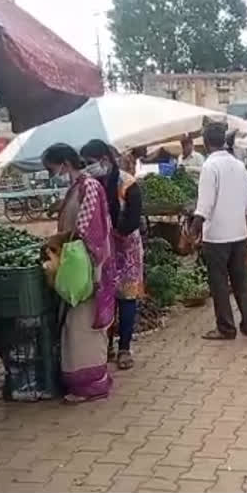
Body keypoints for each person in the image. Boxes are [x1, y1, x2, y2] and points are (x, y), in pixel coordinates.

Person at [41, 143, 116, 403]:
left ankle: (92, 385)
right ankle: (83, 382)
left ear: (64, 163)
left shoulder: (89, 186)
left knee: (83, 328)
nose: (54, 174)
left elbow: (88, 230)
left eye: (53, 169)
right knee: (74, 326)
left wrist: (59, 238)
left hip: (89, 267)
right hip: (77, 265)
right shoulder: (78, 187)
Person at [80, 139, 144, 370]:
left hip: (126, 248)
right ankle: (104, 345)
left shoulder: (128, 184)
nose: (87, 167)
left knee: (126, 299)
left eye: (90, 162)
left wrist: (112, 230)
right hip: (104, 249)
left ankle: (124, 348)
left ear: (104, 160)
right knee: (104, 296)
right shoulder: (91, 184)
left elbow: (132, 220)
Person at [190, 122, 247, 340]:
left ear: (206, 142)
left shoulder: (210, 167)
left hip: (217, 236)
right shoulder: (239, 166)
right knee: (242, 281)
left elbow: (205, 203)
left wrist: (194, 228)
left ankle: (226, 328)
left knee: (219, 283)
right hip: (239, 233)